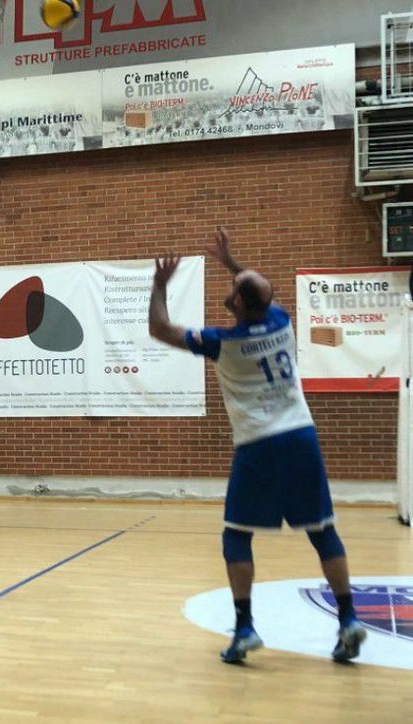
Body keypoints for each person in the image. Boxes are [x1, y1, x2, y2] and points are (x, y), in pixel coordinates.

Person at [147, 226, 367, 664]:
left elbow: (160, 328)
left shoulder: (223, 343)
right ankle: (348, 619)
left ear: (237, 305)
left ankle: (245, 629)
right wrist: (233, 264)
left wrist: (158, 285)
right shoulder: (281, 322)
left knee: (236, 536)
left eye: (233, 287)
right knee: (323, 532)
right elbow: (257, 288)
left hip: (258, 445)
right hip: (301, 436)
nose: (231, 287)